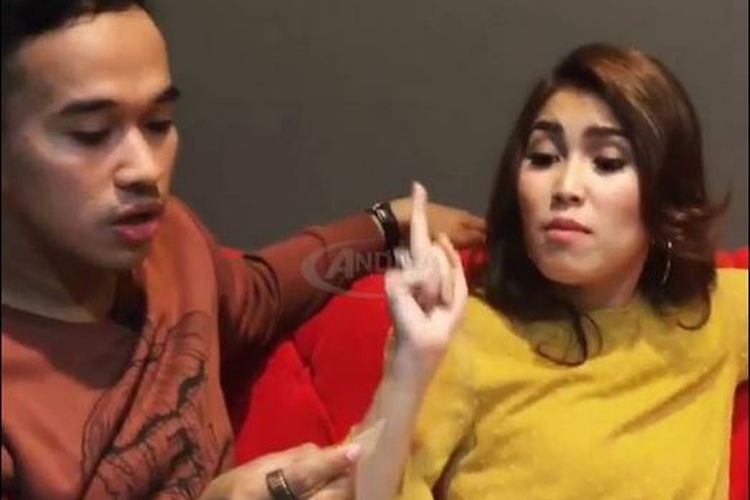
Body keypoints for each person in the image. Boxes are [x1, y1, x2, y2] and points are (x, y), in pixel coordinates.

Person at [0, 1, 485, 499]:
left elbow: (261, 290)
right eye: (91, 134)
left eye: (158, 123)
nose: (145, 169)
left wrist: (387, 222)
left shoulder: (171, 240)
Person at [353, 43, 749, 500]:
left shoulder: (715, 315)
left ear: (666, 193)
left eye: (607, 162)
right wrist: (411, 367)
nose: (565, 187)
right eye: (543, 157)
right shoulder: (463, 332)